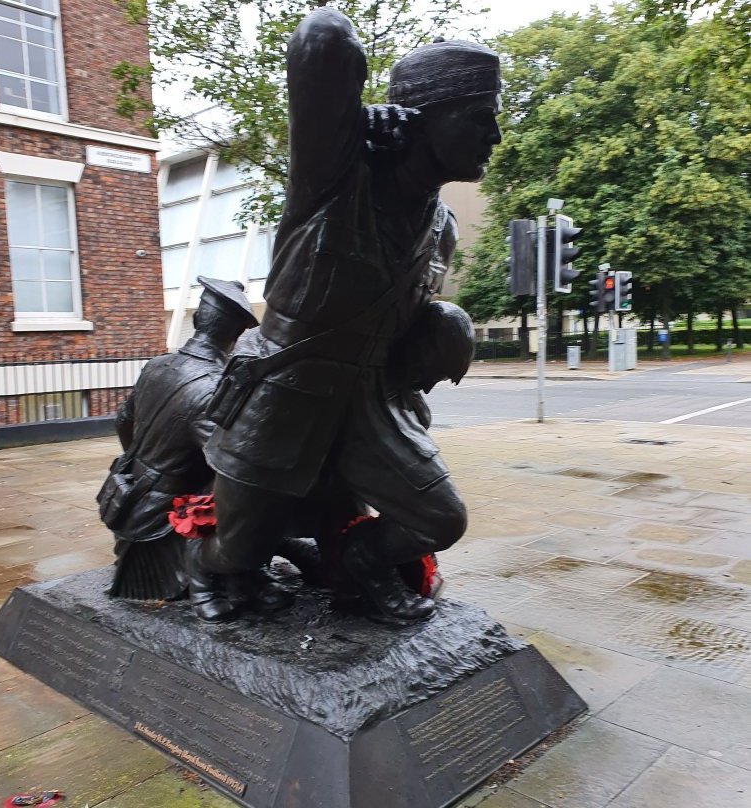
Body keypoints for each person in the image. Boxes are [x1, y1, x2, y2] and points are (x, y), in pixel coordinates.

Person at [199, 8, 501, 624]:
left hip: (367, 401)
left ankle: (361, 562)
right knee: (240, 547)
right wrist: (358, 120)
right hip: (285, 392)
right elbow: (322, 36)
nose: (494, 135)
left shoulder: (440, 229)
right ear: (422, 121)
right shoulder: (335, 180)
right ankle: (203, 568)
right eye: (479, 118)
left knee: (440, 518)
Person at [100, 276, 259, 621]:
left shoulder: (156, 365)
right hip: (162, 516)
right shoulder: (213, 387)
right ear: (235, 335)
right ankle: (223, 580)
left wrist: (141, 461)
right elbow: (229, 463)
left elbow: (122, 421)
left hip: (130, 493)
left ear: (198, 319)